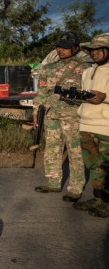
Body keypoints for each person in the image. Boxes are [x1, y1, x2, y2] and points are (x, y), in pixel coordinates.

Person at [32, 32, 90, 202]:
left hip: (73, 117)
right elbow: (42, 93)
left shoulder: (85, 69)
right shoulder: (48, 68)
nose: (61, 50)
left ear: (75, 48)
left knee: (75, 153)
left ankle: (75, 187)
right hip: (52, 115)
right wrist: (36, 111)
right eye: (59, 46)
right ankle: (53, 182)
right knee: (52, 150)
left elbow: (89, 93)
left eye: (65, 47)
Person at [73, 33, 109, 218]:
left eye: (98, 49)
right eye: (91, 49)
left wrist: (105, 97)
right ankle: (99, 198)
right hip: (86, 125)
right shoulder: (87, 72)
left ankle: (107, 202)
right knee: (94, 165)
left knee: (107, 166)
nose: (94, 53)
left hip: (106, 126)